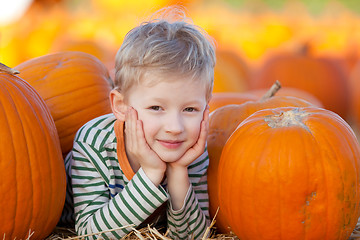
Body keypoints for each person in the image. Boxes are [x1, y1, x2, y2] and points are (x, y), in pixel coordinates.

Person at [61, 6, 216, 239]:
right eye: (156, 108)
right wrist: (152, 173)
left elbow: (194, 236)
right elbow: (89, 234)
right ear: (121, 105)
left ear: (206, 107)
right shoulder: (93, 143)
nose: (175, 127)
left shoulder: (191, 150)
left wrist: (178, 174)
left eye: (190, 109)